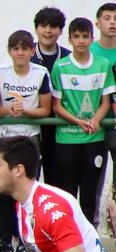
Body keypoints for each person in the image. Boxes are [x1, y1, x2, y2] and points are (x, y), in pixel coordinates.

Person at [0, 30, 51, 252]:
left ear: (32, 51)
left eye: (25, 48)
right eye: (16, 48)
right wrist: (7, 111)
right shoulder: (0, 72)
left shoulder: (41, 73)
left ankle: (25, 243)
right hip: (2, 138)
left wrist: (24, 111)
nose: (21, 53)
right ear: (9, 51)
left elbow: (45, 110)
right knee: (2, 192)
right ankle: (5, 243)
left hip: (29, 138)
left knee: (25, 193)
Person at [51, 17, 115, 224]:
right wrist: (78, 122)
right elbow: (57, 105)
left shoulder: (103, 65)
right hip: (67, 139)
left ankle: (89, 242)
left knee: (89, 195)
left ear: (91, 38)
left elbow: (106, 101)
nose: (81, 41)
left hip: (94, 139)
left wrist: (95, 120)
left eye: (85, 36)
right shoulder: (61, 66)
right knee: (67, 195)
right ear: (69, 39)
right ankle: (69, 241)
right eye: (76, 36)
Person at [31, 6, 70, 186]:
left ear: (61, 30)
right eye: (43, 25)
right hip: (33, 127)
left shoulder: (70, 58)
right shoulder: (25, 54)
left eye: (53, 26)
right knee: (31, 182)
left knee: (58, 183)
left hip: (61, 128)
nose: (48, 31)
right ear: (36, 28)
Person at [91, 3, 116, 226]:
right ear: (98, 23)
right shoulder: (88, 51)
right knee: (92, 183)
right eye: (107, 18)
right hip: (93, 125)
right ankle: (92, 231)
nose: (112, 22)